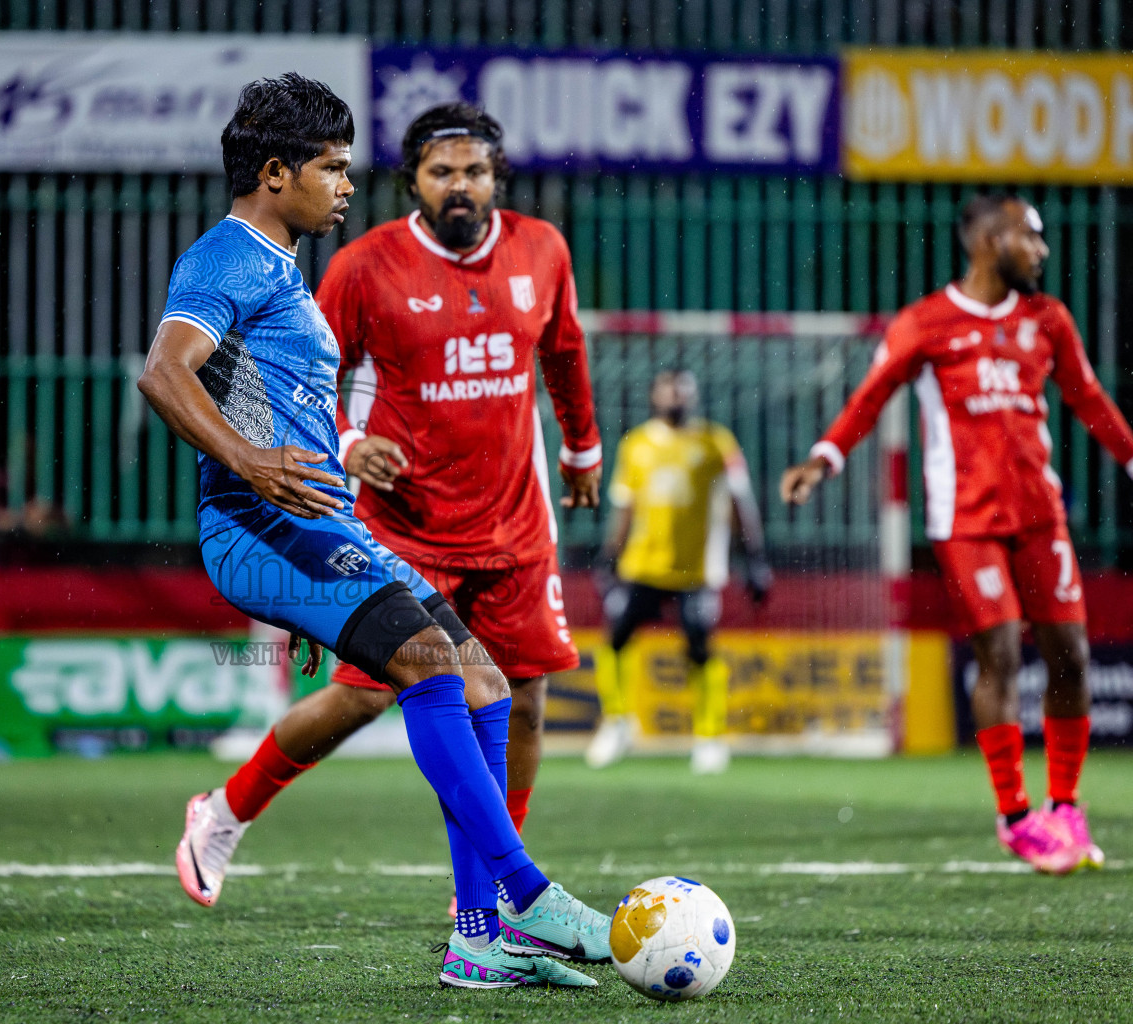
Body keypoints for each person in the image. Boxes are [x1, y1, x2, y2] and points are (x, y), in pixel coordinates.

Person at [139, 74, 611, 989]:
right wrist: (250, 462)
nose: (347, 186)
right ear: (276, 174)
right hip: (259, 524)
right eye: (333, 169)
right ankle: (522, 894)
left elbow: (299, 413)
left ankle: (478, 941)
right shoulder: (227, 256)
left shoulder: (282, 265)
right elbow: (164, 372)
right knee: (433, 670)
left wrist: (334, 563)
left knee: (483, 681)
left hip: (315, 528)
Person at [781, 193, 1133, 875]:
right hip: (965, 521)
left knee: (1072, 656)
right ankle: (1015, 817)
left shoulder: (1047, 320)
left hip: (1040, 515)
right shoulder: (927, 323)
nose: (1042, 250)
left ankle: (1065, 807)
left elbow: (1088, 397)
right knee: (999, 652)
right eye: (1030, 238)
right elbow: (872, 395)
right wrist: (823, 458)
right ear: (989, 241)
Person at [586, 370, 772, 774]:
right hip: (643, 565)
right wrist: (610, 555)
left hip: (697, 570)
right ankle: (617, 722)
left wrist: (754, 558)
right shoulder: (635, 444)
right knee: (616, 637)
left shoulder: (715, 441)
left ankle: (709, 736)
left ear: (693, 394)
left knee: (700, 646)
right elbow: (624, 504)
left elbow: (741, 503)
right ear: (654, 395)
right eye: (668, 388)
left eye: (682, 388)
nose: (675, 395)